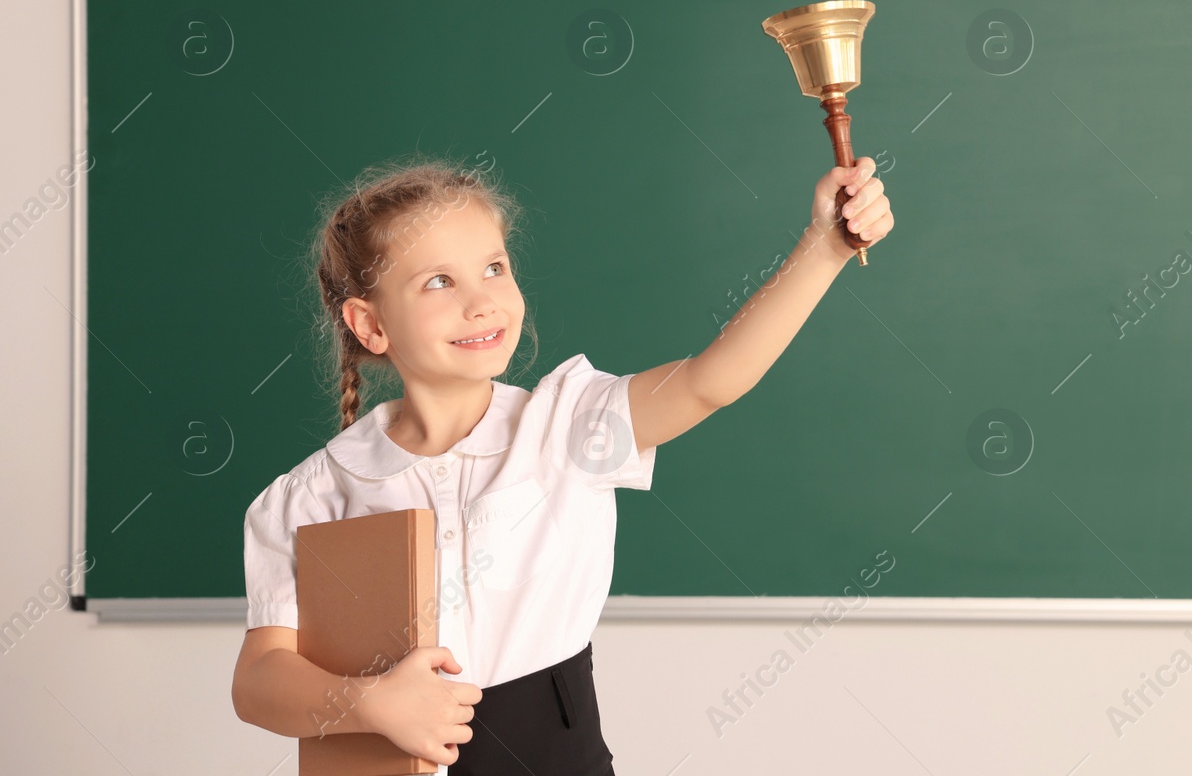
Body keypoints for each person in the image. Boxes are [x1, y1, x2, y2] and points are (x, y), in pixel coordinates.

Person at [231, 153, 893, 774]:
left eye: (494, 267)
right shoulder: (312, 494)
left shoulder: (569, 423)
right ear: (370, 325)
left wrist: (825, 248)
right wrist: (369, 703)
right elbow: (260, 680)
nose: (481, 299)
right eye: (438, 281)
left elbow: (706, 381)